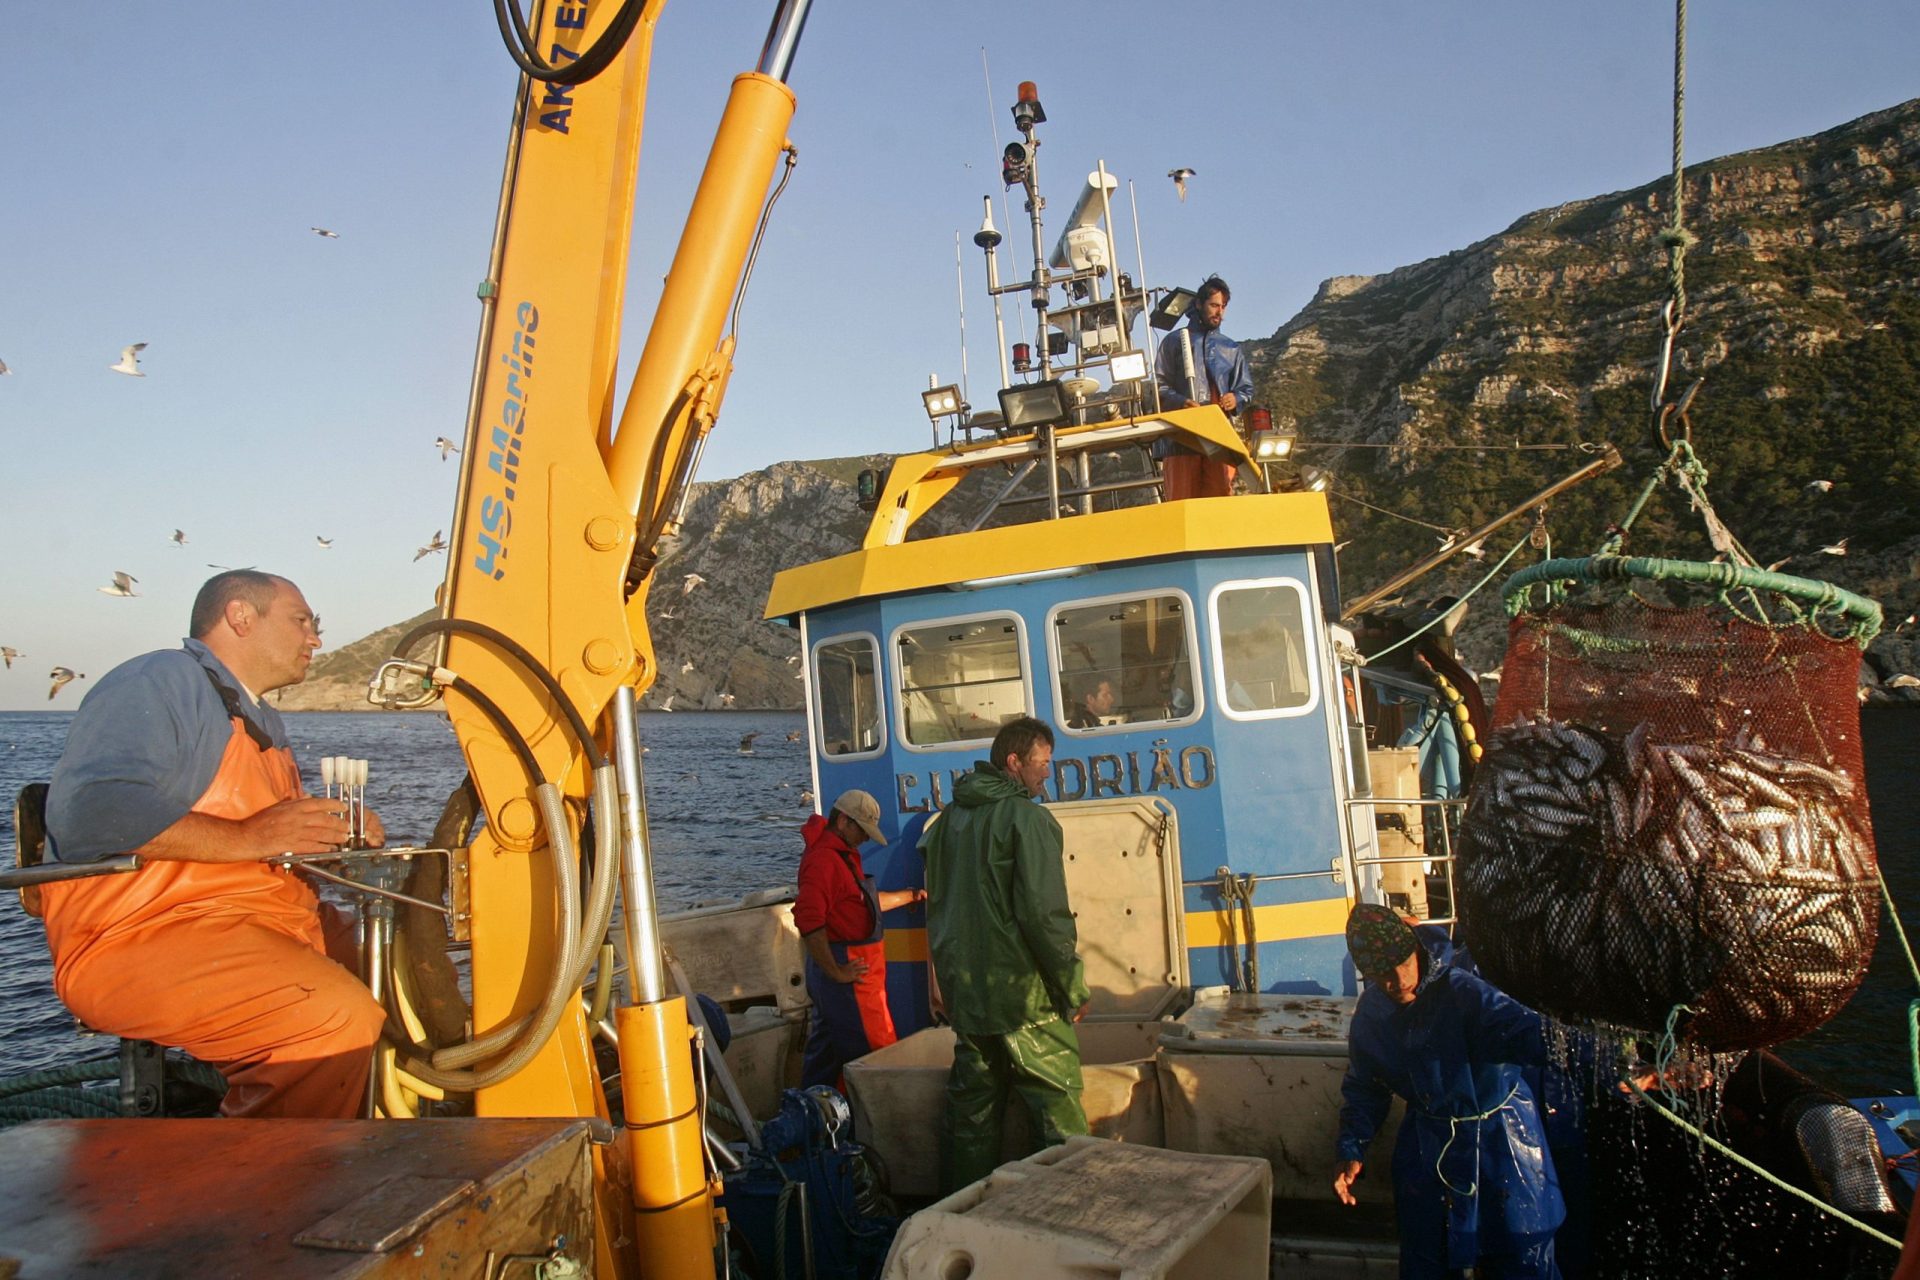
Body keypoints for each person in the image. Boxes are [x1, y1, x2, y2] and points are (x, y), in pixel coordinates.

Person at [39, 571, 387, 1119]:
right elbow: (91, 809)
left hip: (264, 922)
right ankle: (268, 1190)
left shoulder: (255, 715)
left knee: (405, 970)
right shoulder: (160, 681)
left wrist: (327, 837)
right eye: (302, 621)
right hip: (143, 934)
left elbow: (262, 838)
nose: (316, 639)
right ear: (240, 617)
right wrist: (252, 836)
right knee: (330, 1018)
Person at [1333, 903, 1565, 1279]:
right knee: (1428, 1257)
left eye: (1402, 963)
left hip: (1504, 1140)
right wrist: (1351, 1146)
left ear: (1415, 949)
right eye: (1381, 975)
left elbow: (1537, 1036)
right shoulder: (1372, 1014)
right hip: (1429, 1143)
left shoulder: (1465, 992)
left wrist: (1617, 1069)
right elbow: (1366, 1085)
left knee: (1524, 1252)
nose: (1396, 979)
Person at [920, 716, 1090, 1192]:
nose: (1047, 775)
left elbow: (939, 908)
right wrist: (1071, 986)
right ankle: (1065, 1214)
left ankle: (963, 1210)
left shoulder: (948, 821)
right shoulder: (1028, 821)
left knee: (971, 1113)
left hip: (969, 998)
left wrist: (946, 984)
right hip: (1022, 998)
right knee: (1057, 1109)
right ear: (1014, 763)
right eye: (1042, 764)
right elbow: (1044, 916)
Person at [793, 788, 925, 1089]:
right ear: (843, 822)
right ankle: (878, 1129)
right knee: (878, 1058)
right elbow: (809, 919)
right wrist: (837, 971)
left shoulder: (837, 856)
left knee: (825, 1059)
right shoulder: (825, 861)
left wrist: (909, 896)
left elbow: (856, 903)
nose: (866, 838)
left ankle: (816, 1122)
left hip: (838, 977)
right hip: (850, 978)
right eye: (862, 831)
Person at [1154, 274, 1255, 501]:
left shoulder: (1231, 348)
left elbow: (1246, 389)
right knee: (1182, 505)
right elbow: (1158, 386)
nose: (1219, 312)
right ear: (1199, 304)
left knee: (1219, 503)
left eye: (1223, 306)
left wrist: (1235, 398)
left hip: (1219, 437)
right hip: (1180, 437)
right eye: (1214, 305)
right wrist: (1181, 402)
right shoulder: (1172, 342)